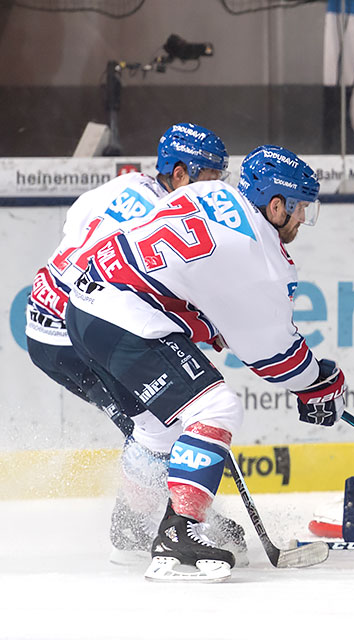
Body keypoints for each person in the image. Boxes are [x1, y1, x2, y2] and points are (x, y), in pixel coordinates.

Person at [65, 144, 347, 582]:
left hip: (82, 308)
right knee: (215, 408)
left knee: (158, 429)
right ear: (276, 205)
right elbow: (272, 355)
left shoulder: (203, 195)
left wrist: (198, 319)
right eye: (300, 211)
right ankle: (178, 537)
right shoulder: (263, 257)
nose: (300, 222)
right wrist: (318, 383)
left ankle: (129, 529)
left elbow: (181, 267)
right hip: (127, 317)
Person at [24, 123, 235, 562]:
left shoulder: (124, 185)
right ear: (180, 175)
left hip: (46, 317)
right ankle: (144, 525)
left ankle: (157, 517)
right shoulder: (167, 218)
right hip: (79, 329)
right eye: (211, 178)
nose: (217, 191)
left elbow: (75, 228)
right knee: (156, 424)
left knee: (154, 422)